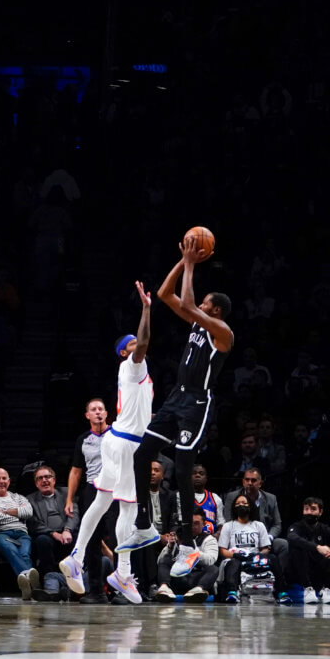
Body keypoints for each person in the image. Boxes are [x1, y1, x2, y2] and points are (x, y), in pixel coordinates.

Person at [125, 237, 233, 552]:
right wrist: (182, 261)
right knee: (142, 453)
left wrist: (190, 262)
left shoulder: (223, 334)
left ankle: (187, 541)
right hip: (176, 397)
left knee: (183, 467)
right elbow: (164, 295)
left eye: (205, 304)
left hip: (198, 403)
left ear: (215, 309)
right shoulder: (197, 326)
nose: (200, 305)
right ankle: (143, 524)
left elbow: (186, 304)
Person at [61, 282, 153, 604]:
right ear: (123, 352)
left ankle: (75, 557)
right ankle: (123, 572)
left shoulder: (135, 372)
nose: (137, 345)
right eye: (130, 344)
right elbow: (142, 342)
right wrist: (146, 309)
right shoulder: (132, 365)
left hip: (116, 441)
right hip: (126, 444)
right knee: (127, 508)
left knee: (101, 503)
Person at [62, 396, 112, 602]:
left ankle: (125, 588)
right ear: (87, 415)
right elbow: (75, 471)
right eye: (94, 409)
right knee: (91, 541)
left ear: (107, 413)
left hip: (116, 488)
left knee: (120, 537)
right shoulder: (83, 439)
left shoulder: (116, 435)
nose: (98, 412)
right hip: (92, 490)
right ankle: (96, 591)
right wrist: (69, 499)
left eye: (101, 409)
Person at [218, 492, 290, 604]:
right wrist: (235, 555)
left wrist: (258, 554)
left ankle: (282, 592)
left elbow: (266, 548)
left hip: (255, 557)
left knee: (273, 558)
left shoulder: (258, 525)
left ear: (250, 506)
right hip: (237, 558)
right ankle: (232, 592)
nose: (241, 505)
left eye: (244, 503)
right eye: (238, 503)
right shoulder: (228, 526)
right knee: (234, 562)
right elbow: (222, 550)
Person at [0, 468, 39, 599]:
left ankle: (27, 590)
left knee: (25, 554)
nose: (1, 481)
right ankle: (33, 586)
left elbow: (28, 512)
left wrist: (4, 511)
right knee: (11, 550)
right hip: (1, 533)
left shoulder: (18, 497)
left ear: (9, 481)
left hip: (22, 533)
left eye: (4, 478)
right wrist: (17, 515)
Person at [155, 509, 220, 603]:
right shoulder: (179, 536)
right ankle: (164, 588)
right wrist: (170, 547)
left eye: (196, 523)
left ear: (204, 523)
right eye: (190, 523)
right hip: (177, 578)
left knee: (214, 569)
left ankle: (198, 590)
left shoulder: (209, 539)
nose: (193, 526)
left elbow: (210, 560)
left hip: (197, 578)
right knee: (165, 560)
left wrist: (191, 551)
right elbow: (160, 562)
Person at [286, 497, 330, 604]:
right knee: (298, 547)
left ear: (320, 512)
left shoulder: (325, 529)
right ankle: (308, 589)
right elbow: (292, 537)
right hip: (300, 570)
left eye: (313, 509)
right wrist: (317, 547)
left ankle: (327, 589)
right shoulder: (296, 526)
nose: (309, 512)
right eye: (306, 509)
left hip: (320, 569)